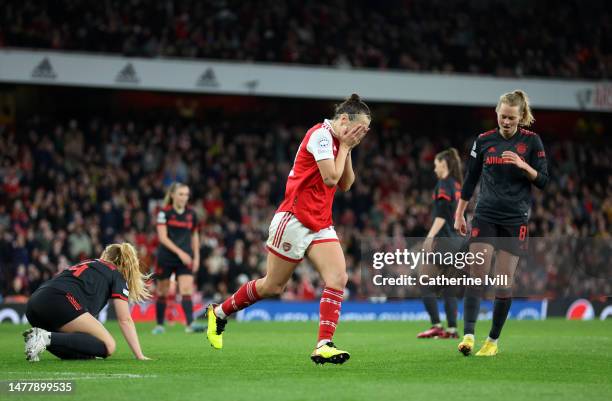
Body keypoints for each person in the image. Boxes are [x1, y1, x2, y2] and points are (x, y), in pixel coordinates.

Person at [205, 94, 370, 365]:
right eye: (358, 129)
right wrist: (345, 147)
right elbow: (330, 178)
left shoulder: (339, 142)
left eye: (363, 132)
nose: (359, 134)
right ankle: (219, 313)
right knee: (273, 286)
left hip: (320, 222)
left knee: (338, 277)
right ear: (343, 120)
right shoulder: (320, 135)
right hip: (294, 219)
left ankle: (324, 344)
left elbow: (346, 184)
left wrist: (348, 148)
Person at [454, 90, 549, 356]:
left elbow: (543, 180)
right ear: (496, 113)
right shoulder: (484, 141)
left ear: (521, 117)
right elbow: (471, 179)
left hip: (515, 219)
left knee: (503, 282)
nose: (506, 122)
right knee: (476, 275)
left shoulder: (532, 142)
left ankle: (492, 341)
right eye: (502, 116)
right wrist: (460, 212)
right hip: (485, 215)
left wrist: (523, 165)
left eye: (511, 118)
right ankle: (469, 336)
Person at [23, 243, 150, 361]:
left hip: (34, 303)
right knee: (108, 345)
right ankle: (43, 337)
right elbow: (125, 320)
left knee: (83, 348)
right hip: (60, 299)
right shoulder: (116, 274)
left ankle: (38, 339)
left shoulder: (89, 263)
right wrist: (139, 355)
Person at [417, 148, 463, 339]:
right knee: (448, 288)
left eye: (436, 165)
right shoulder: (457, 185)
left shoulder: (443, 185)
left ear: (443, 164)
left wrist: (429, 237)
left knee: (424, 280)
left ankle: (436, 325)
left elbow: (443, 215)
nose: (434, 169)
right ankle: (452, 330)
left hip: (444, 241)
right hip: (458, 242)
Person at [153, 182, 203, 334]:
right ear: (173, 195)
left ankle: (190, 324)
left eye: (186, 194)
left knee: (186, 289)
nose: (184, 197)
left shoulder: (191, 214)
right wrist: (180, 253)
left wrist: (196, 257)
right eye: (181, 194)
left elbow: (194, 235)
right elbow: (162, 238)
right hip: (167, 257)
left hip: (186, 257)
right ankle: (160, 325)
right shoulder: (164, 213)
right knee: (162, 291)